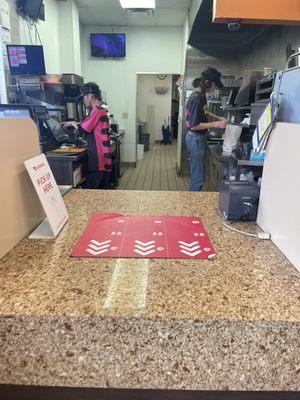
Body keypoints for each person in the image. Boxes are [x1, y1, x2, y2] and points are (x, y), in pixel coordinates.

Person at [62, 82, 112, 189]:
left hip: (98, 159)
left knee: (96, 193)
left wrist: (71, 123)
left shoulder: (97, 110)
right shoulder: (100, 108)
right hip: (102, 157)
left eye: (84, 97)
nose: (84, 100)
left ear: (90, 96)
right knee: (102, 193)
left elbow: (83, 129)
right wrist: (75, 123)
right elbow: (88, 125)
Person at [185, 67, 228, 191]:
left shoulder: (201, 96)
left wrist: (218, 117)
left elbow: (205, 112)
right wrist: (217, 124)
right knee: (197, 177)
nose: (214, 89)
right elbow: (194, 125)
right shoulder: (196, 98)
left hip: (198, 138)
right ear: (208, 83)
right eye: (214, 85)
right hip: (195, 138)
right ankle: (192, 206)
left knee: (198, 175)